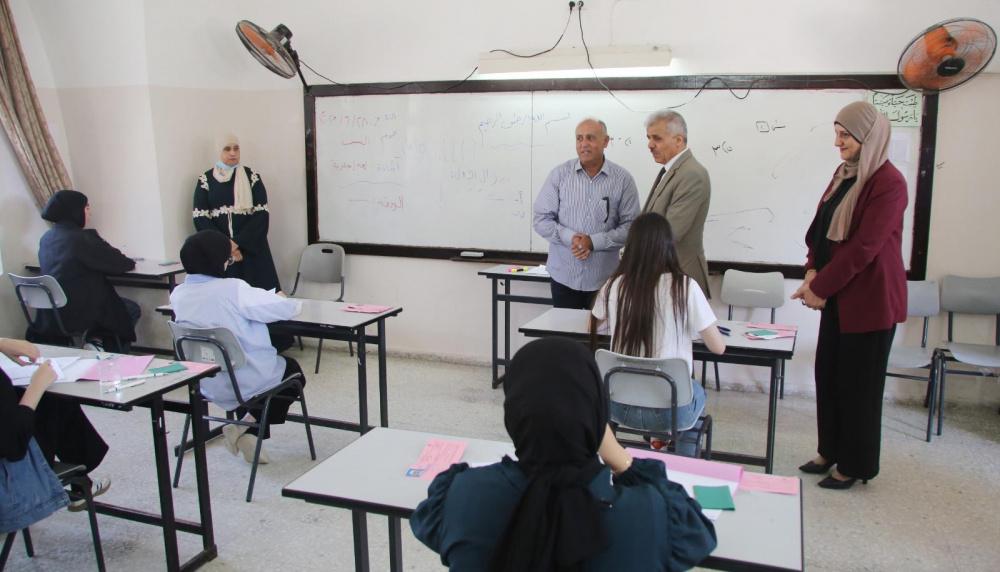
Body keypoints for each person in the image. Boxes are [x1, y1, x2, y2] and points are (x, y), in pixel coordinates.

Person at [411, 337, 716, 571]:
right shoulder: (651, 515)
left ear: (512, 415)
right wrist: (620, 458)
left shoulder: (463, 497)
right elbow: (699, 535)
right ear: (598, 413)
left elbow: (429, 527)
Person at [791, 101, 907, 490]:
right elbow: (820, 231)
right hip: (838, 297)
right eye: (837, 134)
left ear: (869, 137)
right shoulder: (843, 175)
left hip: (870, 302)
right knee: (829, 376)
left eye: (846, 135)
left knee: (860, 387)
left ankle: (855, 465)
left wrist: (819, 288)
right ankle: (829, 450)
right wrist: (811, 271)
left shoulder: (889, 183)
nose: (837, 142)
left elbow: (863, 248)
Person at [592, 213, 726, 456]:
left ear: (630, 248)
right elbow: (718, 347)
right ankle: (684, 464)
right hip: (670, 412)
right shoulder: (684, 286)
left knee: (669, 387)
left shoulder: (614, 285)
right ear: (669, 247)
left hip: (619, 407)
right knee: (696, 391)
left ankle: (647, 446)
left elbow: (595, 326)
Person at [170, 230, 305, 464]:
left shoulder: (178, 294)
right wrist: (282, 299)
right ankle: (245, 427)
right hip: (245, 378)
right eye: (227, 258)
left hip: (205, 381)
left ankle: (248, 432)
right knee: (293, 373)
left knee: (258, 378)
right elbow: (285, 309)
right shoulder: (233, 289)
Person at [533, 118, 640, 309]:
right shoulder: (559, 175)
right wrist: (571, 238)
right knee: (564, 328)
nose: (583, 144)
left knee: (601, 329)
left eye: (590, 138)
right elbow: (541, 219)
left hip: (604, 280)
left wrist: (593, 242)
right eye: (579, 138)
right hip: (563, 277)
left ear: (605, 141)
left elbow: (631, 227)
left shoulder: (623, 180)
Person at [0, 337, 110, 511]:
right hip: (10, 473)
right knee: (51, 398)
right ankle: (80, 480)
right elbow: (13, 444)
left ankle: (81, 481)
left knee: (48, 400)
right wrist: (37, 386)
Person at [36, 189, 140, 352]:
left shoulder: (47, 238)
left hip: (52, 312)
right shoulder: (81, 238)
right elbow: (122, 264)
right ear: (75, 211)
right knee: (129, 309)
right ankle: (106, 353)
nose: (89, 213)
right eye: (87, 208)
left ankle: (96, 341)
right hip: (78, 311)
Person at [192, 134, 281, 292]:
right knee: (226, 297)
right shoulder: (205, 180)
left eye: (236, 148)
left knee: (259, 297)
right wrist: (225, 245)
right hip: (221, 253)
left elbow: (261, 216)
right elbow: (201, 218)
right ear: (219, 151)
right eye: (227, 149)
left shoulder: (252, 177)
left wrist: (237, 242)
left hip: (251, 251)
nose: (233, 153)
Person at [642, 111, 712, 298]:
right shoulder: (672, 170)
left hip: (680, 280)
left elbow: (670, 233)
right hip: (663, 278)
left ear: (679, 140)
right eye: (649, 138)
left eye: (657, 138)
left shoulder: (691, 174)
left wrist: (633, 255)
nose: (650, 145)